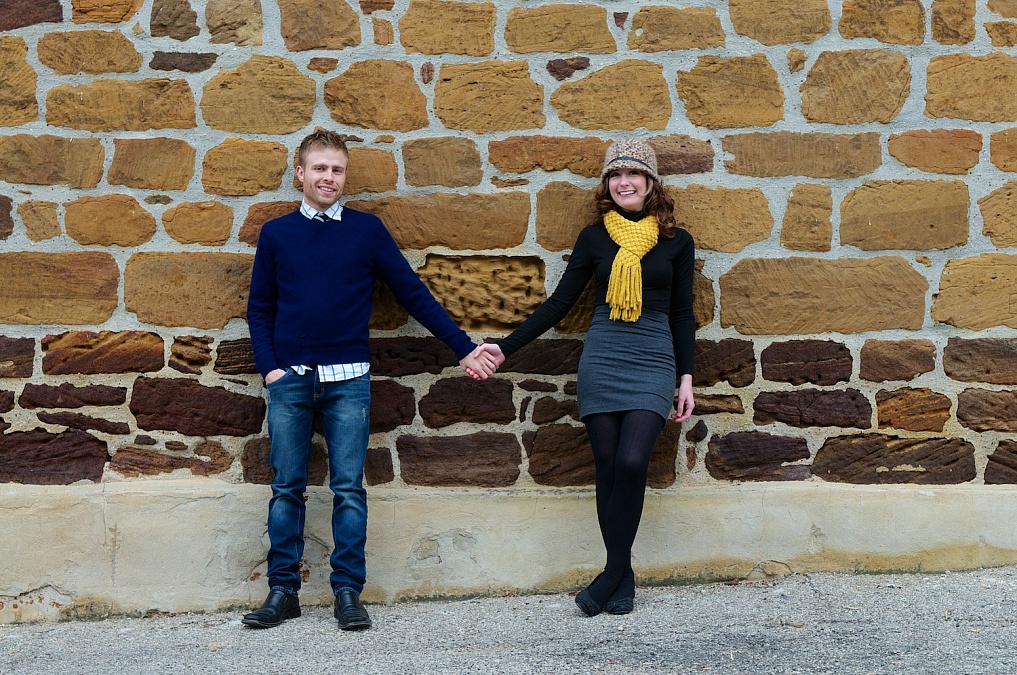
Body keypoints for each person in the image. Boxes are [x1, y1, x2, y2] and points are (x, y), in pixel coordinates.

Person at [244, 129, 497, 631]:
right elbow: (259, 310)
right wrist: (271, 368)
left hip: (349, 383)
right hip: (290, 380)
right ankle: (282, 591)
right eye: (319, 168)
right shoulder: (277, 235)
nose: (328, 177)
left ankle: (346, 592)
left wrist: (464, 347)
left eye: (336, 169)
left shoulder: (366, 231)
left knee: (348, 489)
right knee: (286, 488)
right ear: (300, 173)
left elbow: (412, 293)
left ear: (345, 175)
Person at [470, 140, 695, 617]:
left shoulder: (677, 242)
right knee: (609, 464)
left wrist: (687, 378)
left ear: (651, 183)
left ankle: (611, 573)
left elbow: (681, 314)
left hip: (653, 356)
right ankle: (625, 575)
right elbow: (559, 304)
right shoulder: (594, 239)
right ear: (606, 185)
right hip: (604, 356)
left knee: (634, 461)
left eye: (634, 175)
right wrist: (506, 346)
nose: (624, 182)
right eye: (615, 175)